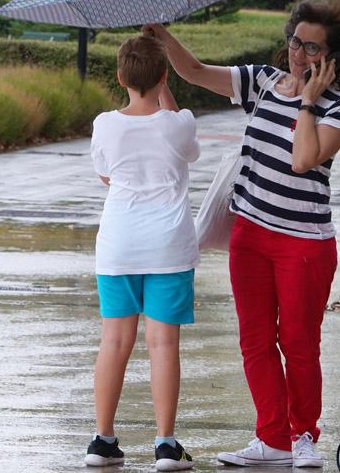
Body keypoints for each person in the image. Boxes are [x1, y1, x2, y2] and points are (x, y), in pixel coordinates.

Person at [143, 0, 340, 468]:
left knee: (298, 342)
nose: (300, 54)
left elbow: (303, 159)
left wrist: (308, 102)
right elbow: (192, 71)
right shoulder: (263, 82)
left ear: (330, 57)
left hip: (305, 244)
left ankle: (303, 436)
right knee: (254, 340)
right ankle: (271, 439)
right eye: (296, 42)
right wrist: (159, 31)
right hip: (250, 236)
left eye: (313, 48)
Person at [85, 35, 200, 471]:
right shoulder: (179, 123)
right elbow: (185, 144)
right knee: (163, 342)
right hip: (168, 246)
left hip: (118, 245)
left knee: (114, 341)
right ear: (164, 76)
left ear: (119, 77)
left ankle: (102, 440)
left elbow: (105, 176)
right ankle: (166, 445)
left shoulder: (105, 124)